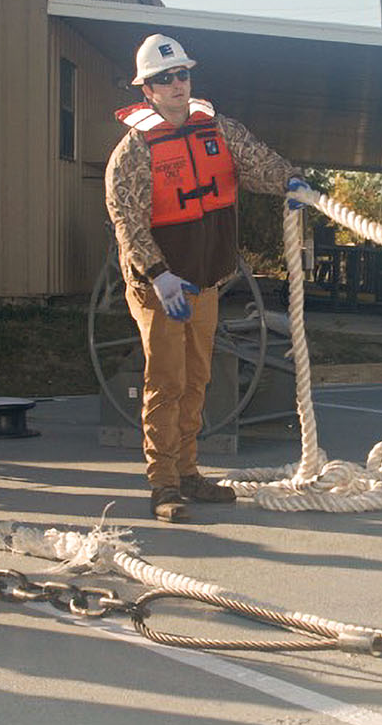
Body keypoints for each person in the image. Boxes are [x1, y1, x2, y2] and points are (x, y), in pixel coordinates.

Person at [105, 34, 310, 523]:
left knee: (198, 376)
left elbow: (258, 163)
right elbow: (127, 221)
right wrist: (158, 275)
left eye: (182, 75)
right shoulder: (133, 150)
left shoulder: (218, 128)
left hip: (207, 279)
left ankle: (191, 471)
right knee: (166, 381)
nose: (177, 84)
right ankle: (164, 484)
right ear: (147, 91)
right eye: (164, 79)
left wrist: (291, 180)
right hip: (161, 286)